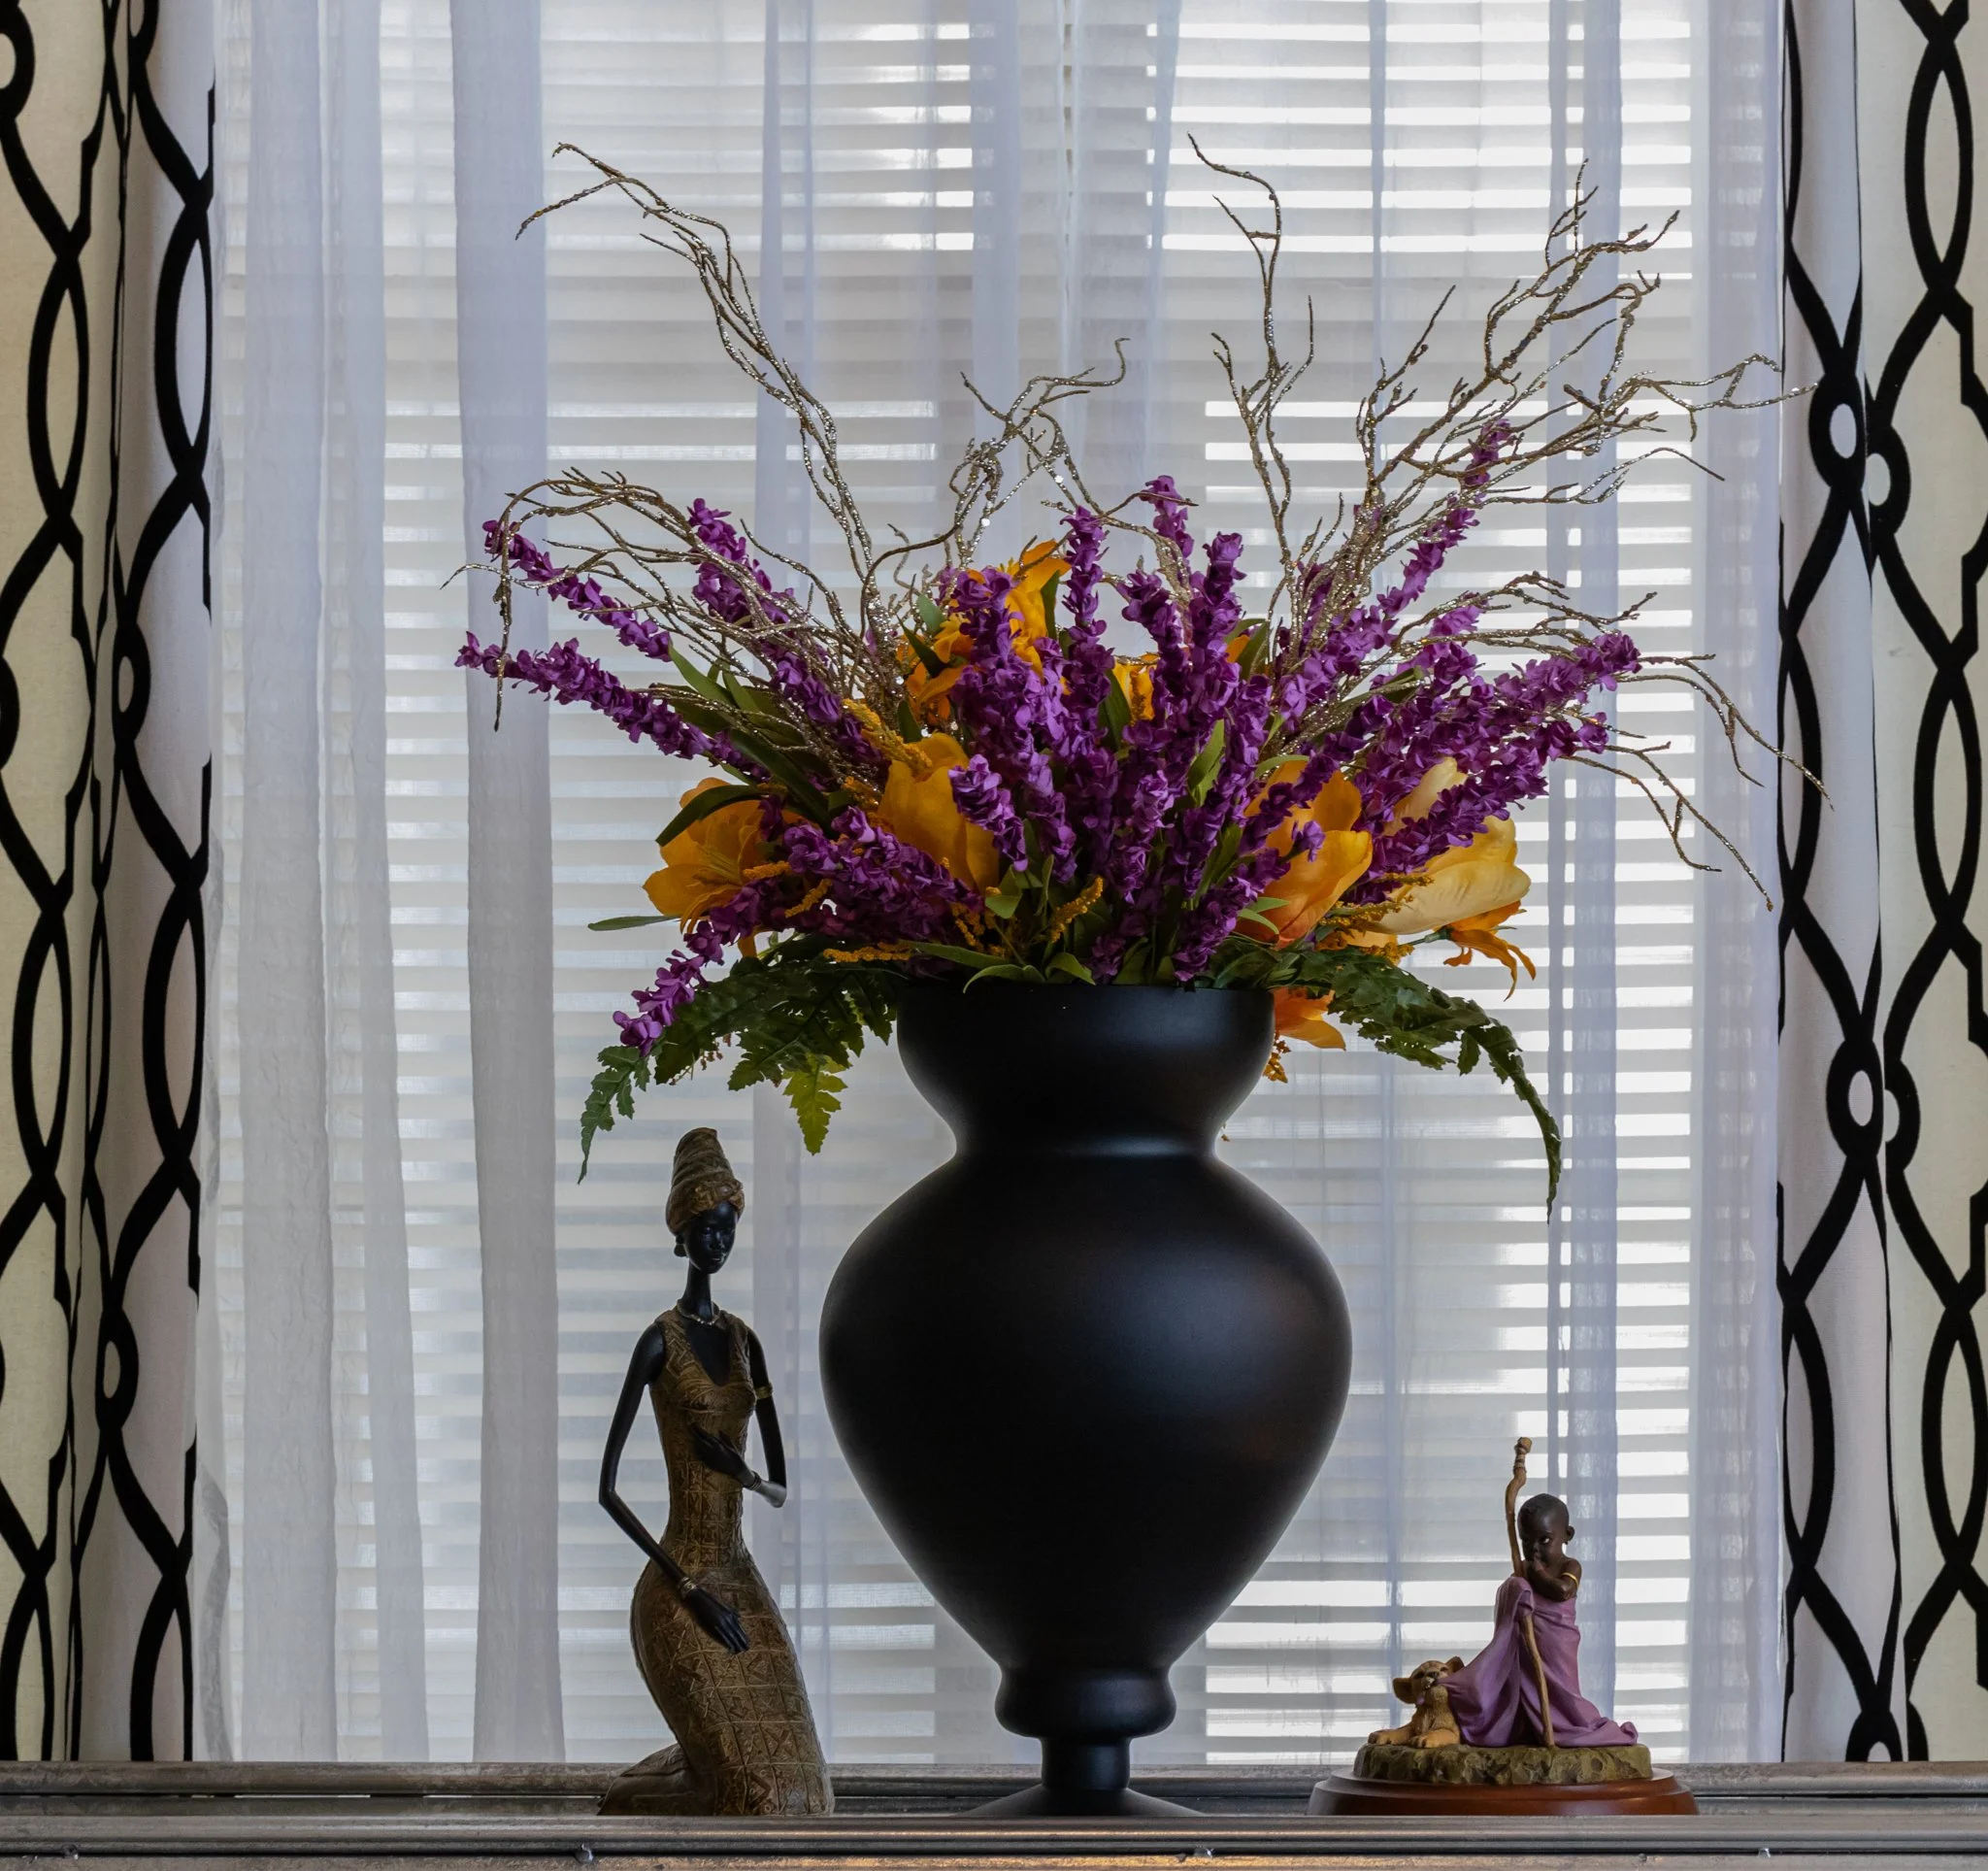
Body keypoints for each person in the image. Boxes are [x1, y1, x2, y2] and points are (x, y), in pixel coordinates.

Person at [595, 1127, 832, 1816]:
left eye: (726, 1228)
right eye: (705, 1229)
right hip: (681, 1581)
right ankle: (625, 1802)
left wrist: (746, 1473)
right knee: (751, 1794)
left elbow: (780, 1487)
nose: (718, 1243)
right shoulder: (658, 1341)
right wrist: (691, 1587)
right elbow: (607, 1489)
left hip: (738, 1569)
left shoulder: (744, 1342)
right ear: (682, 1235)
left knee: (806, 1794)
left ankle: (685, 1761)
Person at [1440, 1438, 1638, 1750]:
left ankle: (1568, 1726)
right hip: (1529, 1644)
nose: (1534, 1549)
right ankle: (1528, 1726)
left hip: (1557, 1643)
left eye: (1544, 1540)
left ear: (1566, 1535)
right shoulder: (1526, 1570)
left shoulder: (1568, 1565)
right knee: (1524, 1683)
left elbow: (1563, 1591)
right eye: (1527, 1540)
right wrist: (1516, 1592)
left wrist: (1536, 1575)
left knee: (1563, 1690)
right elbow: (1517, 1593)